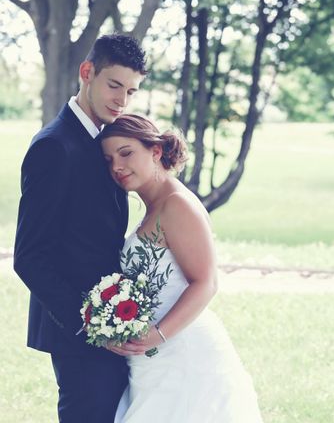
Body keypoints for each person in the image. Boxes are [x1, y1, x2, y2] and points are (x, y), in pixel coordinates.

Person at [13, 34, 147, 423]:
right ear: (87, 73)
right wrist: (89, 324)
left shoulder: (106, 139)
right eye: (114, 85)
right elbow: (30, 257)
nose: (122, 100)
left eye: (131, 91)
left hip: (111, 323)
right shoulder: (54, 147)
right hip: (79, 329)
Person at [99, 114, 263, 422]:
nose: (117, 167)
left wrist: (158, 334)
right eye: (108, 159)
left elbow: (206, 282)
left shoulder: (177, 205)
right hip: (150, 360)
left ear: (156, 151)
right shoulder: (153, 207)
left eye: (126, 152)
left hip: (184, 354)